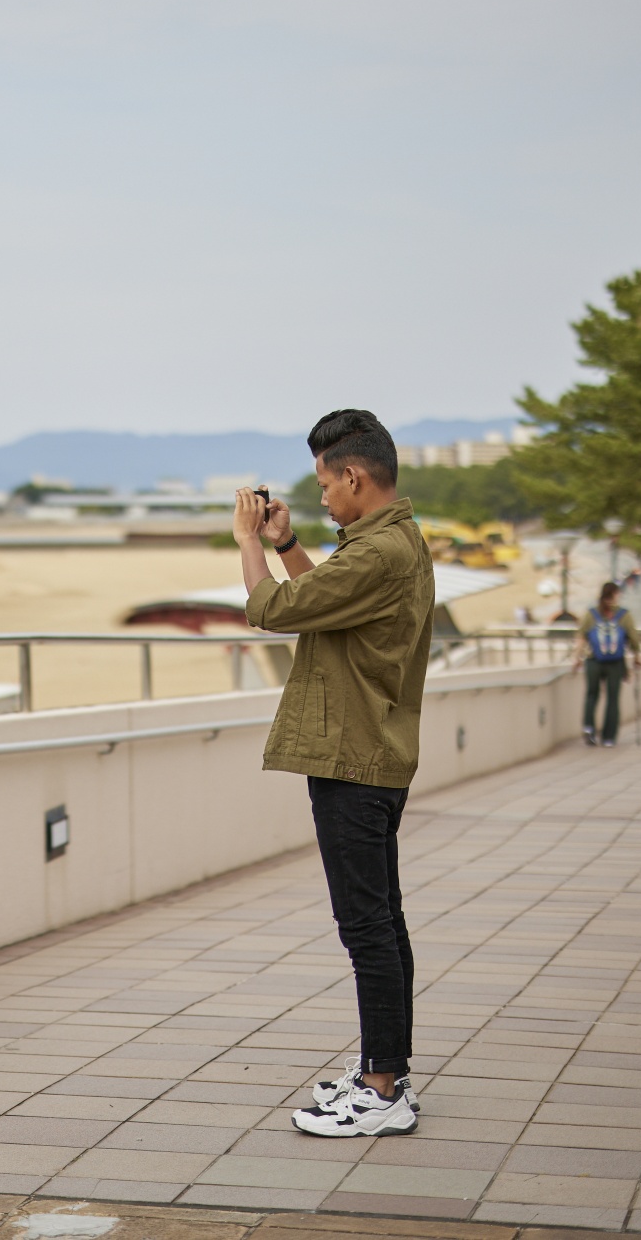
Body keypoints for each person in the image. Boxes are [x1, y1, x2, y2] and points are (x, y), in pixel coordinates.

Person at [235, 408, 432, 1139]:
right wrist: (287, 543)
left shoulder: (378, 553)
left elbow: (274, 609)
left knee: (366, 927)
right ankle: (386, 1072)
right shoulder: (395, 543)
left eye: (324, 484)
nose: (321, 496)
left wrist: (248, 543)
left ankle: (382, 1090)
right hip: (372, 753)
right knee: (382, 922)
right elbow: (327, 602)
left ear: (353, 476)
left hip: (355, 758)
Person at [575, 581, 639, 746]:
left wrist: (577, 658)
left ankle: (589, 727)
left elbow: (581, 637)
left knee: (592, 694)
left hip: (593, 660)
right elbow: (633, 638)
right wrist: (636, 656)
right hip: (616, 662)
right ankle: (609, 737)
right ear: (616, 594)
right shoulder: (624, 615)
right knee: (612, 698)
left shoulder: (591, 614)